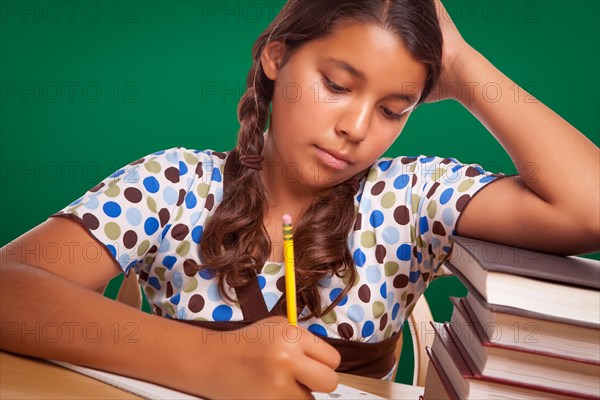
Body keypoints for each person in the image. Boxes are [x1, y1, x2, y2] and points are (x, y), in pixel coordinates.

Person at [1, 0, 598, 398]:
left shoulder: (412, 199)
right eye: (336, 85)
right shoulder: (174, 184)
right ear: (276, 57)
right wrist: (209, 360)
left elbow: (588, 209)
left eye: (395, 109)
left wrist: (466, 67)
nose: (358, 128)